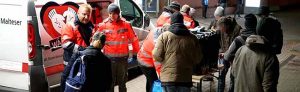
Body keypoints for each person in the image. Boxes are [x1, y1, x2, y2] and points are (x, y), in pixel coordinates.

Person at [153, 12, 203, 92]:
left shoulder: (164, 36)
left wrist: (166, 61)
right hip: (185, 79)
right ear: (182, 22)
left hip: (168, 79)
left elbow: (156, 55)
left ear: (171, 22)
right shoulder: (192, 38)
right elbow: (198, 58)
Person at [96, 4, 140, 92]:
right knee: (110, 83)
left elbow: (134, 39)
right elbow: (95, 41)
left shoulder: (126, 25)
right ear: (108, 13)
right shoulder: (103, 26)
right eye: (110, 13)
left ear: (118, 13)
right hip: (109, 60)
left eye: (115, 13)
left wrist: (137, 53)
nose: (112, 15)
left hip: (122, 60)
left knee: (122, 83)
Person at [60, 4, 94, 91]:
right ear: (78, 13)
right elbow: (65, 44)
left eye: (88, 15)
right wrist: (83, 50)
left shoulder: (91, 26)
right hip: (72, 63)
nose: (86, 17)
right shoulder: (70, 25)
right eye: (84, 14)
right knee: (70, 87)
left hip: (85, 62)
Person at [223, 13, 257, 92]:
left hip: (239, 72)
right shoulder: (261, 38)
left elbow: (227, 56)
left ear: (246, 24)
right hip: (255, 72)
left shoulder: (239, 39)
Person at [137, 24, 169, 92]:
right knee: (154, 82)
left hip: (142, 57)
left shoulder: (156, 30)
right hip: (146, 63)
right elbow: (157, 62)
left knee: (150, 80)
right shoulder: (156, 43)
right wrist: (162, 75)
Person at [216, 16, 240, 92]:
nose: (221, 31)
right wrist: (220, 51)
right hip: (223, 54)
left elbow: (237, 46)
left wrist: (228, 54)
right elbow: (218, 42)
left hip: (234, 56)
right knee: (221, 74)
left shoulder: (237, 30)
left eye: (222, 29)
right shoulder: (221, 29)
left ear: (227, 26)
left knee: (233, 77)